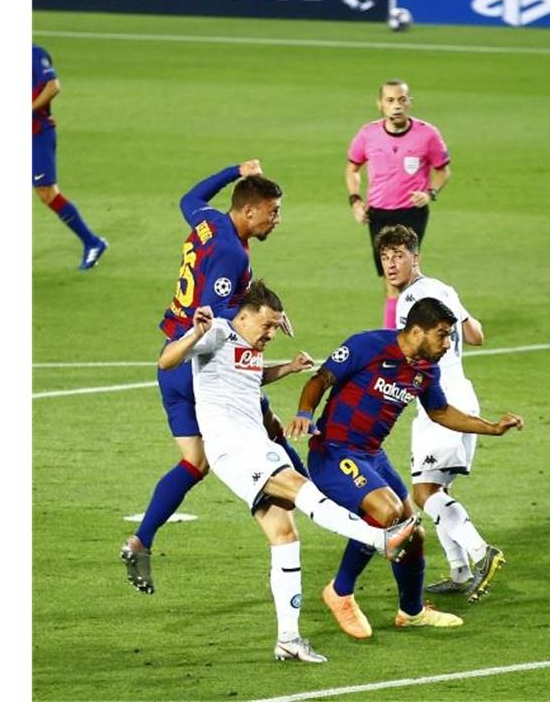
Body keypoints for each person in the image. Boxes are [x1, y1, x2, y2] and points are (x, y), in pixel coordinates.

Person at [159, 281, 417, 662]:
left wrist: (289, 368)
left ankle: (288, 638)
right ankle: (379, 540)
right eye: (266, 326)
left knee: (285, 535)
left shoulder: (245, 348)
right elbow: (167, 360)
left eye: (275, 328)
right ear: (243, 316)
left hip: (252, 443)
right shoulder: (216, 332)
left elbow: (252, 376)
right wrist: (194, 333)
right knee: (303, 489)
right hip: (235, 445)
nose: (270, 334)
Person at [286, 297, 524, 639]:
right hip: (333, 452)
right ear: (416, 330)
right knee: (386, 513)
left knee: (412, 534)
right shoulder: (368, 345)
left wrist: (491, 427)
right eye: (442, 335)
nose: (448, 344)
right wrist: (305, 413)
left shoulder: (427, 370)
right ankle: (340, 591)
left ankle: (411, 612)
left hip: (371, 456)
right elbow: (321, 379)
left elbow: (440, 412)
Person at [121, 161, 295, 594]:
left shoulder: (211, 220)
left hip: (171, 360)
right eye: (272, 211)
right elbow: (212, 316)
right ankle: (344, 514)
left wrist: (234, 170)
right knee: (271, 433)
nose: (276, 220)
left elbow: (188, 198)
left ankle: (141, 540)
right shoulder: (232, 254)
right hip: (203, 366)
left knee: (194, 463)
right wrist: (260, 325)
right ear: (250, 211)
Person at [375, 225, 503, 601]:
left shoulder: (411, 300)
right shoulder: (443, 289)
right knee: (437, 490)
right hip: (464, 393)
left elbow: (407, 355)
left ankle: (481, 554)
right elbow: (476, 334)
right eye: (385, 257)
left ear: (417, 257)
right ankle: (460, 570)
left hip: (440, 401)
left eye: (399, 255)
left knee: (423, 492)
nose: (391, 264)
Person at [345, 79, 451, 329]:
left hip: (412, 214)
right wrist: (355, 200)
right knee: (391, 280)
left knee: (405, 275)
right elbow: (352, 169)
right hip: (379, 215)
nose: (397, 106)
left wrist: (430, 192)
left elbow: (443, 170)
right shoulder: (367, 134)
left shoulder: (427, 134)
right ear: (380, 104)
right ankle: (397, 335)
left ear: (410, 102)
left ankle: (402, 332)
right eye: (390, 100)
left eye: (402, 100)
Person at [32, 43, 107, 269]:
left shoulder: (33, 54)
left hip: (36, 133)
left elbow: (53, 86)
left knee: (47, 193)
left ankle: (92, 242)